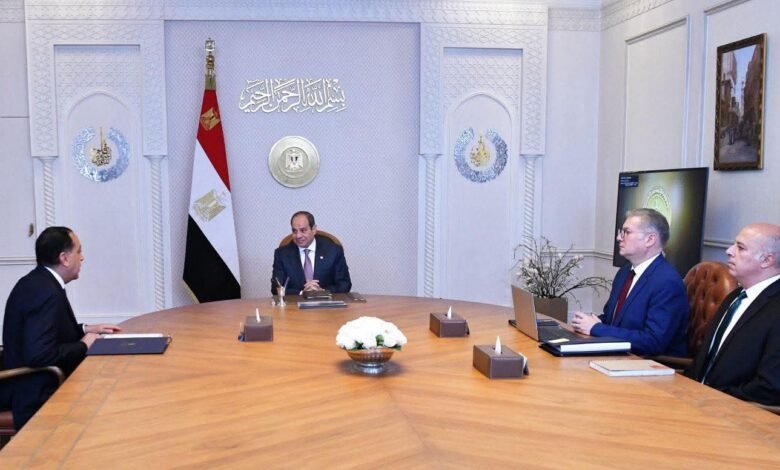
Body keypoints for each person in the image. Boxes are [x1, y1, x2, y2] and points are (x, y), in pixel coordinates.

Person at [1, 226, 121, 430]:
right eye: (79, 251)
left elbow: (47, 333)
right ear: (64, 258)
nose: (82, 257)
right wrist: (84, 345)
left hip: (32, 382)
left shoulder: (38, 282)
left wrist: (85, 329)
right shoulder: (45, 292)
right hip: (34, 392)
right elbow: (39, 355)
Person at [571, 208, 689, 356]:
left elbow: (653, 342)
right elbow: (611, 321)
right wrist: (586, 323)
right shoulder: (625, 271)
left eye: (626, 232)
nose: (618, 238)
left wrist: (596, 328)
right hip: (620, 356)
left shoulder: (667, 282)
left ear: (650, 240)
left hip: (650, 364)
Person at [685, 223, 780, 405]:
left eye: (740, 247)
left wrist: (712, 398)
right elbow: (704, 360)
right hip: (695, 399)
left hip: (732, 410)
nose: (729, 251)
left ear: (767, 260)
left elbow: (769, 387)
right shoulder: (735, 296)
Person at [271, 211, 352, 295]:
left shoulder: (333, 251)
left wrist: (322, 292)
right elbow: (276, 288)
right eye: (294, 231)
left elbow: (345, 285)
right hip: (295, 302)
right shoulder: (282, 254)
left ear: (314, 230)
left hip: (327, 302)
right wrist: (302, 293)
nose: (298, 235)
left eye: (303, 230)